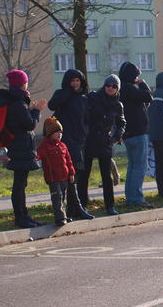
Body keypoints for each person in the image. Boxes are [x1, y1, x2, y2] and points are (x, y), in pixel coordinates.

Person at [0, 69, 46, 228]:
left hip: (17, 146)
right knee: (19, 185)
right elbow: (29, 124)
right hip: (21, 147)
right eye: (25, 81)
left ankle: (24, 215)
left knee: (21, 184)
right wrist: (37, 111)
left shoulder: (13, 101)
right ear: (22, 84)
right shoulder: (18, 103)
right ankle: (21, 217)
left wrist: (30, 111)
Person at [47, 69, 94, 220]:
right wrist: (68, 92)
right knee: (69, 175)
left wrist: (85, 134)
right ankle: (73, 208)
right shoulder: (62, 94)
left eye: (77, 80)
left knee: (76, 174)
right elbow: (52, 105)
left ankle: (74, 208)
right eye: (72, 81)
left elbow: (87, 119)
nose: (75, 83)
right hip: (65, 141)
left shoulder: (84, 98)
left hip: (79, 141)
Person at [78, 74, 126, 215]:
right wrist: (83, 132)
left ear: (117, 89)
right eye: (108, 85)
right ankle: (82, 205)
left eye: (114, 86)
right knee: (84, 175)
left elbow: (122, 123)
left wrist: (115, 137)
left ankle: (110, 206)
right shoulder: (93, 97)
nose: (110, 88)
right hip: (89, 140)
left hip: (105, 141)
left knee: (106, 176)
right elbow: (82, 114)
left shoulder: (117, 105)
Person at [119, 61, 154, 208]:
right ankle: (137, 199)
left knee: (132, 167)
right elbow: (149, 97)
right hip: (138, 132)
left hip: (127, 133)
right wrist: (143, 84)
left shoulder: (120, 89)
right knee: (140, 167)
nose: (137, 78)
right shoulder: (130, 89)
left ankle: (130, 198)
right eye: (136, 75)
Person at [36, 117, 75, 226]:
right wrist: (34, 157)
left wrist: (71, 173)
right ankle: (60, 218)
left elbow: (69, 160)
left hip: (64, 176)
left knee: (63, 197)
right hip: (53, 178)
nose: (59, 134)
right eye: (57, 132)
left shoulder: (63, 146)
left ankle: (64, 215)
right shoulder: (44, 146)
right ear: (50, 134)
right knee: (56, 198)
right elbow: (38, 155)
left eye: (60, 132)